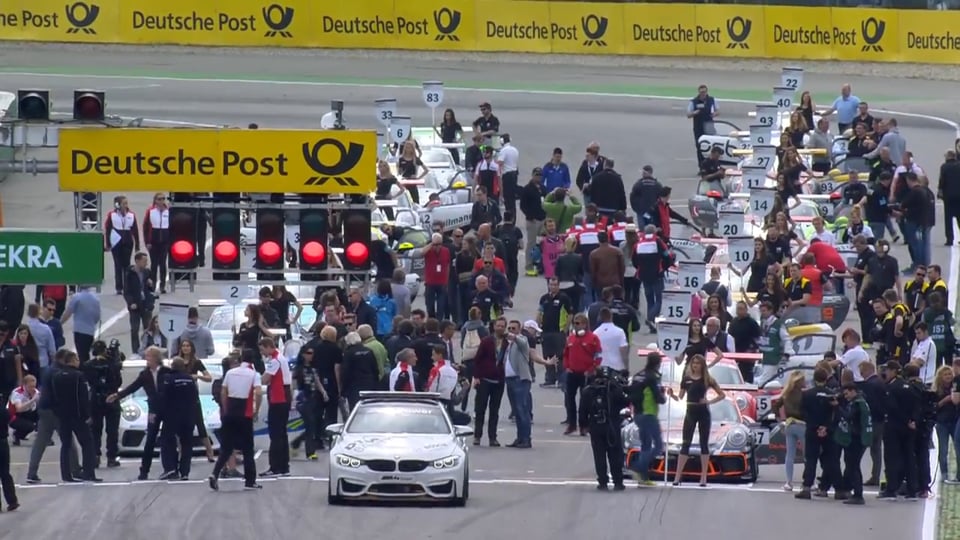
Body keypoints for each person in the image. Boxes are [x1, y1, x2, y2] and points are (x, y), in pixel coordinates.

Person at [108, 346, 169, 480]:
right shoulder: (145, 374)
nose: (146, 359)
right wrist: (117, 396)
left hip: (168, 409)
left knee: (168, 439)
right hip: (154, 410)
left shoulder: (166, 372)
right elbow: (133, 387)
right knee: (151, 439)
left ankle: (169, 468)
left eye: (149, 356)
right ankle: (144, 470)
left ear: (156, 358)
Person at [666, 354, 725, 486]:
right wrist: (672, 395)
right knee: (685, 443)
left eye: (698, 363)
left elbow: (722, 395)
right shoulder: (686, 379)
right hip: (690, 411)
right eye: (693, 363)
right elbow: (680, 397)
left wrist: (709, 401)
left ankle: (703, 477)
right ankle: (677, 476)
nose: (695, 366)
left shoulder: (707, 379)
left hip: (703, 412)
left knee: (704, 444)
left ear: (702, 365)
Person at [208, 355, 262, 492]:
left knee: (226, 447)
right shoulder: (253, 374)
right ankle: (250, 481)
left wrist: (226, 409)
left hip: (230, 410)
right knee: (248, 448)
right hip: (245, 412)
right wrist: (256, 410)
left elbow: (223, 391)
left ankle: (215, 473)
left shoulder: (230, 373)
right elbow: (259, 393)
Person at [50, 349, 100, 483]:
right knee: (87, 443)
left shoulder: (57, 376)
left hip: (63, 416)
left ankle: (66, 474)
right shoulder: (79, 376)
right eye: (77, 359)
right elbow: (83, 398)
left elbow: (55, 397)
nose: (79, 361)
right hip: (78, 416)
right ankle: (89, 473)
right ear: (72, 361)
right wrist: (87, 414)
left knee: (65, 445)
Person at [877, 361, 920, 500]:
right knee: (909, 457)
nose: (886, 373)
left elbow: (892, 408)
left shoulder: (891, 388)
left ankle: (891, 489)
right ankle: (912, 489)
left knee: (892, 458)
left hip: (894, 426)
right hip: (909, 428)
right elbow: (917, 405)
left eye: (887, 370)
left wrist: (906, 420)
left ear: (893, 371)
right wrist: (912, 420)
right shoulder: (910, 387)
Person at [582, 366, 630, 491]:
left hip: (596, 426)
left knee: (599, 455)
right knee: (615, 455)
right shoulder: (615, 389)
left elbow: (582, 411)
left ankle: (603, 481)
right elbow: (625, 403)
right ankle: (618, 481)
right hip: (612, 426)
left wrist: (584, 426)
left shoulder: (588, 391)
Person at [794, 367, 839, 500]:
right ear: (826, 379)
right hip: (828, 431)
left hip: (812, 429)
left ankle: (807, 487)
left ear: (814, 379)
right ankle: (838, 488)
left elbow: (802, 412)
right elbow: (835, 414)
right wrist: (826, 427)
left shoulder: (807, 394)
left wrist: (815, 425)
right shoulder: (831, 394)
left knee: (811, 459)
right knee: (831, 460)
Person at [627, 352, 666, 486]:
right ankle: (638, 466)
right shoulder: (651, 377)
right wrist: (663, 396)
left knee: (646, 445)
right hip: (649, 413)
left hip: (637, 413)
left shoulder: (638, 375)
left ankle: (644, 478)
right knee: (658, 446)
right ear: (658, 364)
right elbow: (658, 398)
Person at [83, 339, 123, 468]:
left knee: (95, 430)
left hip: (96, 399)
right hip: (111, 397)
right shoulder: (113, 364)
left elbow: (90, 382)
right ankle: (111, 457)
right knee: (112, 431)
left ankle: (95, 456)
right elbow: (118, 382)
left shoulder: (88, 365)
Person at [158, 357, 199, 480]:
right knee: (187, 444)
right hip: (188, 416)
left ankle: (171, 468)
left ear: (172, 367)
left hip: (172, 416)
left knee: (167, 442)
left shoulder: (168, 379)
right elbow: (195, 397)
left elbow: (163, 397)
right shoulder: (190, 379)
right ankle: (185, 471)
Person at [834, 382, 873, 505]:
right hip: (861, 437)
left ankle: (858, 494)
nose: (845, 396)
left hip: (856, 438)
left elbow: (848, 416)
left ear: (853, 391)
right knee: (852, 465)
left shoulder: (857, 403)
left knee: (853, 466)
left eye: (846, 394)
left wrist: (837, 407)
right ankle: (854, 491)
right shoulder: (862, 401)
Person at [562, 313, 602, 436]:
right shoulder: (571, 338)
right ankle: (572, 424)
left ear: (585, 324)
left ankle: (584, 425)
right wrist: (567, 366)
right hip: (572, 373)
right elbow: (566, 354)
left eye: (578, 323)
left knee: (585, 402)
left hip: (586, 374)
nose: (575, 325)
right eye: (574, 323)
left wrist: (592, 368)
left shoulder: (593, 338)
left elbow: (598, 355)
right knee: (569, 399)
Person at [260, 337, 292, 478]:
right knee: (282, 433)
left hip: (278, 398)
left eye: (262, 349)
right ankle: (284, 466)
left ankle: (275, 466)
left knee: (275, 433)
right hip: (283, 397)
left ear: (268, 347)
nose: (262, 353)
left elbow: (265, 379)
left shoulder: (275, 361)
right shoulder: (280, 359)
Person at [772, 371, 806, 491]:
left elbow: (775, 406)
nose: (805, 382)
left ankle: (789, 482)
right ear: (799, 382)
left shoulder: (785, 394)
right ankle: (808, 482)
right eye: (803, 380)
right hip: (802, 424)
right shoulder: (804, 394)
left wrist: (780, 421)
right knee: (807, 455)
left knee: (789, 455)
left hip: (789, 424)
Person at [501, 322, 533, 449]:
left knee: (522, 410)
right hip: (510, 380)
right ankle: (520, 437)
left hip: (520, 380)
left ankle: (526, 439)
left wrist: (513, 336)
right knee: (516, 411)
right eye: (509, 328)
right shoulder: (509, 345)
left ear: (519, 330)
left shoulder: (522, 340)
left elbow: (523, 342)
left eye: (514, 328)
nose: (510, 330)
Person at [0, 403, 18, 511]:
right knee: (5, 473)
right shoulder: (3, 410)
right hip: (2, 442)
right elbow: (11, 419)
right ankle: (12, 501)